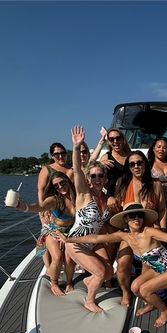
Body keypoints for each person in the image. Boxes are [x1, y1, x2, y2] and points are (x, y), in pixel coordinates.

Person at [63, 203, 167, 328]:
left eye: (140, 216)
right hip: (158, 269)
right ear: (126, 219)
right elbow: (97, 237)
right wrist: (70, 240)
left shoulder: (149, 231)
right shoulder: (125, 236)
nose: (137, 219)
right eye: (132, 216)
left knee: (145, 289)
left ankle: (164, 312)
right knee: (135, 287)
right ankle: (151, 304)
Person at [65, 126, 115, 313]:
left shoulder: (105, 198)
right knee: (101, 272)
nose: (97, 178)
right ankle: (89, 301)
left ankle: (88, 280)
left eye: (100, 175)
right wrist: (77, 148)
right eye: (93, 176)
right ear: (88, 178)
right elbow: (77, 170)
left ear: (105, 179)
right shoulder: (84, 194)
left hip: (93, 242)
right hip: (76, 243)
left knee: (110, 272)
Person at [112, 150, 167, 307]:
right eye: (132, 164)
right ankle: (125, 292)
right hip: (129, 233)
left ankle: (147, 296)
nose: (136, 166)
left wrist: (162, 230)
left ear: (145, 164)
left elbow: (162, 209)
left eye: (139, 163)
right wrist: (110, 198)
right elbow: (115, 207)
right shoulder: (122, 185)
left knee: (147, 265)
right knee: (122, 263)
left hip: (149, 232)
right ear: (128, 167)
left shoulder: (155, 185)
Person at [10, 171, 76, 295]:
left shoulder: (76, 197)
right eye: (56, 186)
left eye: (62, 183)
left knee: (70, 259)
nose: (60, 187)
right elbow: (40, 206)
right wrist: (21, 206)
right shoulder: (54, 200)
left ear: (68, 181)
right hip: (53, 232)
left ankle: (69, 282)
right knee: (57, 257)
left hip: (71, 234)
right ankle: (54, 284)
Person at [37, 142, 74, 276]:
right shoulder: (47, 169)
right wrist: (43, 210)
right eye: (56, 154)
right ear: (52, 156)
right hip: (49, 207)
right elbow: (40, 190)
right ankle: (48, 268)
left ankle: (63, 264)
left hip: (65, 208)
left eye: (62, 153)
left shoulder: (70, 168)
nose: (60, 156)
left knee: (62, 235)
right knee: (46, 233)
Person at [100, 128, 131, 197]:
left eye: (118, 138)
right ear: (108, 142)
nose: (115, 141)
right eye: (111, 139)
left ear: (123, 139)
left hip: (131, 194)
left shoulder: (131, 156)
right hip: (113, 197)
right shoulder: (106, 157)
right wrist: (100, 164)